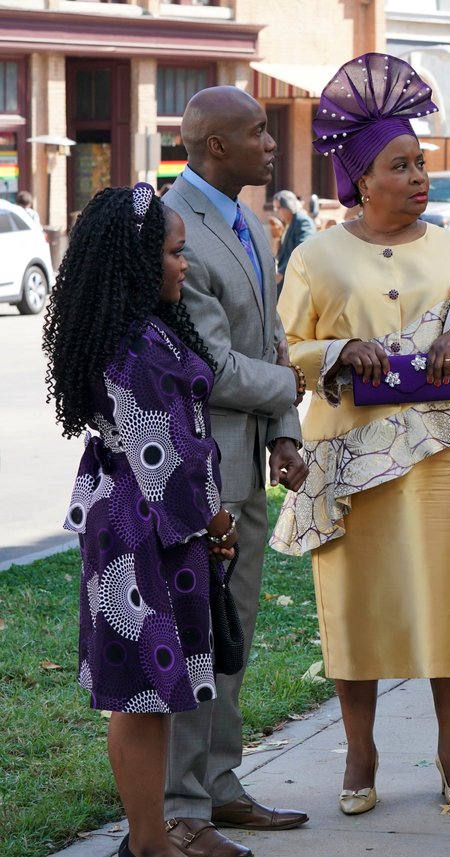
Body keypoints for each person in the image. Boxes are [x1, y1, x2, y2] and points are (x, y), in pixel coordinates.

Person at [269, 53, 450, 819]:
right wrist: (333, 353)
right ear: (361, 178)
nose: (419, 177)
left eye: (421, 162)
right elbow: (280, 351)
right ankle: (360, 751)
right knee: (355, 603)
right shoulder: (317, 255)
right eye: (400, 165)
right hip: (349, 455)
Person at [43, 183, 236, 857]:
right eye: (176, 253)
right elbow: (168, 461)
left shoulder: (138, 330)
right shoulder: (136, 348)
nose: (185, 265)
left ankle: (148, 840)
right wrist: (216, 522)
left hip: (137, 525)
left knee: (150, 694)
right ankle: (149, 846)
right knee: (136, 695)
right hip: (146, 533)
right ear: (138, 260)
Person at [161, 87, 310, 857]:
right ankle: (181, 806)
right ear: (216, 145)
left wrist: (285, 432)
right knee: (195, 640)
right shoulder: (172, 225)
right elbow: (211, 365)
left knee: (232, 636)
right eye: (257, 132)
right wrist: (294, 389)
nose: (270, 143)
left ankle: (221, 784)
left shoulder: (254, 222)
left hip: (250, 468)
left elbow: (273, 339)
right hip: (196, 475)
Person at [272, 189, 315, 288]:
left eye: (278, 208)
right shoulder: (287, 223)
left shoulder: (303, 222)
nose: (277, 212)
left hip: (298, 280)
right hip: (287, 277)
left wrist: (281, 272)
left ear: (288, 206)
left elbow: (302, 251)